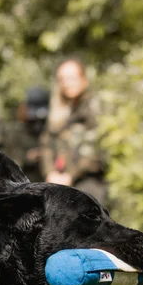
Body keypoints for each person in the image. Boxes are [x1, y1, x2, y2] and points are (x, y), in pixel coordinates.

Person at [40, 58, 109, 207]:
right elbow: (47, 143)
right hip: (61, 185)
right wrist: (50, 172)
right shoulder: (60, 111)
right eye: (62, 79)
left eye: (71, 77)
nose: (66, 83)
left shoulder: (95, 108)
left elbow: (96, 151)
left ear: (84, 79)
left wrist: (70, 175)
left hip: (90, 184)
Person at [0, 85, 49, 183]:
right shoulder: (14, 131)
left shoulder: (49, 129)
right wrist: (26, 158)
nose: (37, 123)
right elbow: (5, 162)